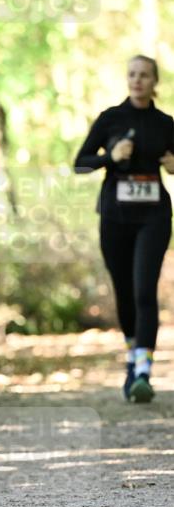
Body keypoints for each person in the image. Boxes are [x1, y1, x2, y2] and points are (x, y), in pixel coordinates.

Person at [74, 55, 174, 402]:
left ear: (154, 82)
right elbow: (80, 164)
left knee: (144, 290)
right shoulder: (110, 119)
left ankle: (143, 369)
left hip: (154, 218)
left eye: (145, 75)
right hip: (115, 218)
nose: (138, 80)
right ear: (127, 79)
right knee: (125, 292)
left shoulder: (165, 123)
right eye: (132, 74)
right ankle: (133, 357)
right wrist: (110, 157)